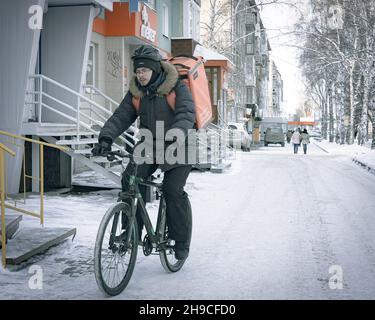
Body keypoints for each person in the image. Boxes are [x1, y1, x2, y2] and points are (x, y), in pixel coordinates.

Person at [92, 45, 195, 260]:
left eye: (144, 71)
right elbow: (121, 116)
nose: (140, 75)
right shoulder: (137, 92)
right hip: (149, 144)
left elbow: (186, 113)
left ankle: (181, 240)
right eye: (137, 72)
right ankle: (132, 231)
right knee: (129, 181)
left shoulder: (177, 87)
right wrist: (105, 138)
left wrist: (175, 135)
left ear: (155, 69)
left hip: (179, 144)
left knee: (172, 189)